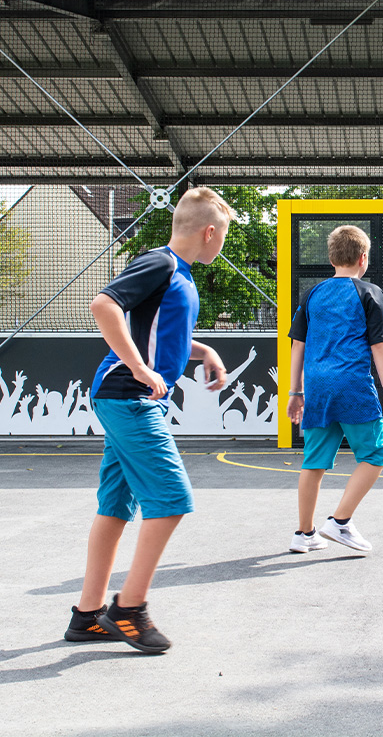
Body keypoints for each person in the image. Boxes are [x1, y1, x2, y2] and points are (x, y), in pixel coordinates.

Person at [63, 186, 232, 654]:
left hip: (128, 398)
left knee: (116, 506)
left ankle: (86, 616)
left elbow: (159, 332)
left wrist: (206, 350)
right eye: (224, 237)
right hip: (129, 396)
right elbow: (104, 305)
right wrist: (140, 368)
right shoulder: (160, 263)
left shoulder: (180, 276)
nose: (223, 245)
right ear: (209, 232)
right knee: (172, 498)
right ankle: (128, 608)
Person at [287, 225, 383, 554]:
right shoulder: (369, 292)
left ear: (332, 257)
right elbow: (379, 346)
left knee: (314, 461)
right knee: (376, 453)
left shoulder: (313, 294)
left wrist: (295, 392)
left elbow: (298, 345)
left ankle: (304, 533)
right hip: (352, 385)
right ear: (363, 258)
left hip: (318, 386)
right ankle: (339, 522)